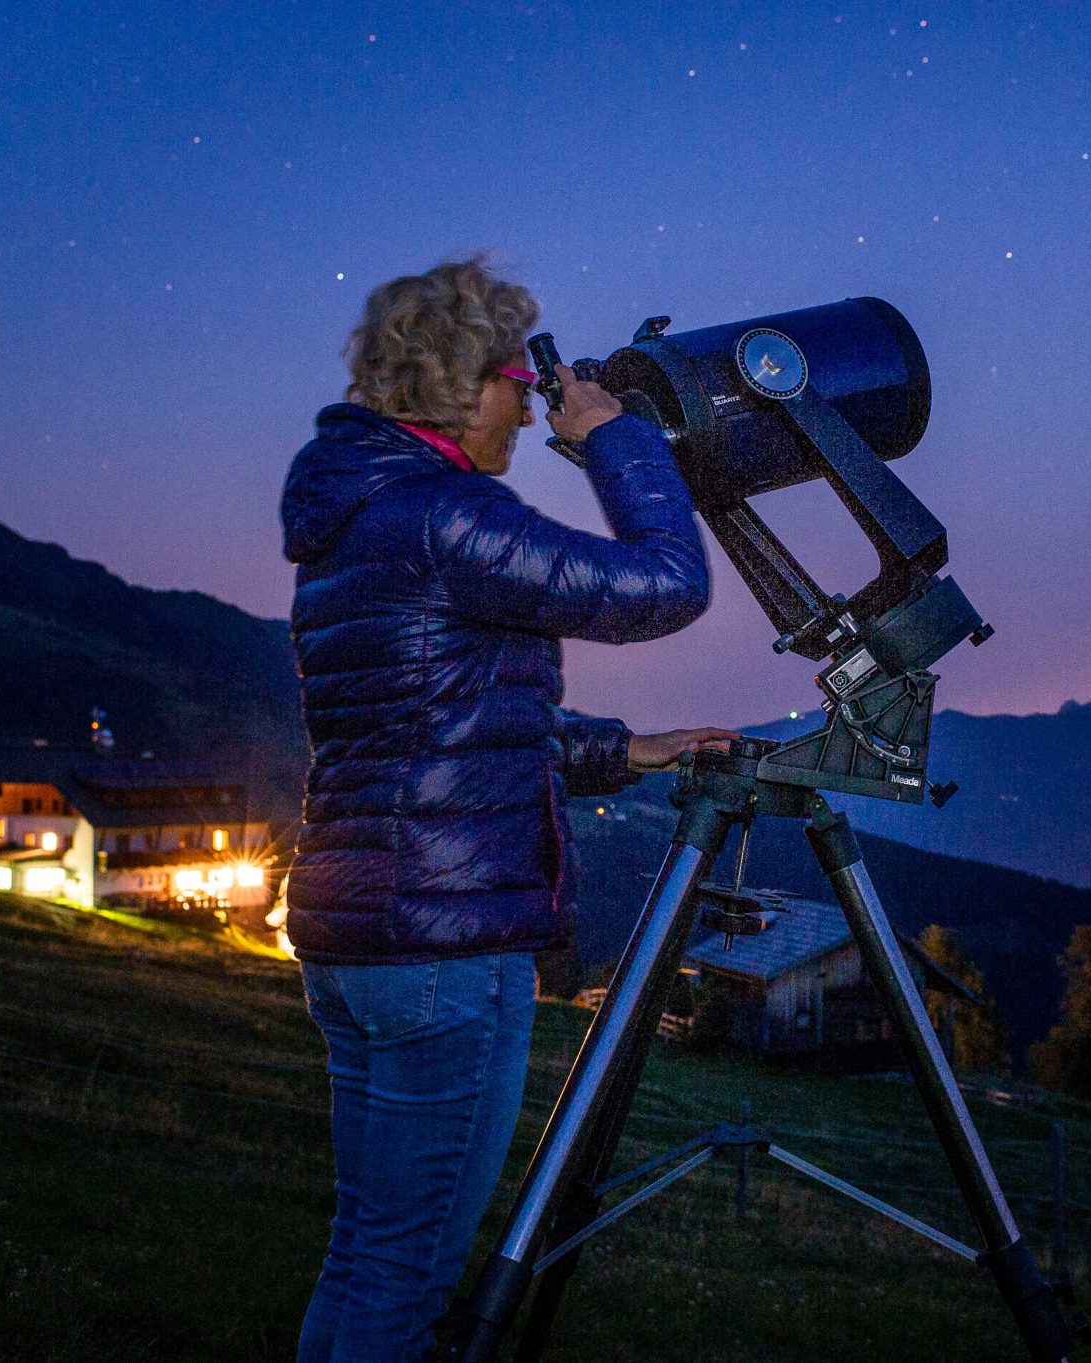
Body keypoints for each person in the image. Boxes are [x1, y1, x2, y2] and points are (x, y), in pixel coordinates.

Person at [278, 257, 735, 1363]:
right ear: (456, 384)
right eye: (519, 384)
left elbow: (445, 732)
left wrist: (627, 749)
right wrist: (615, 442)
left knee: (366, 1249)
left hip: (359, 935)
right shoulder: (445, 515)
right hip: (442, 945)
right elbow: (668, 583)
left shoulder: (355, 519)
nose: (532, 410)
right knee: (408, 1270)